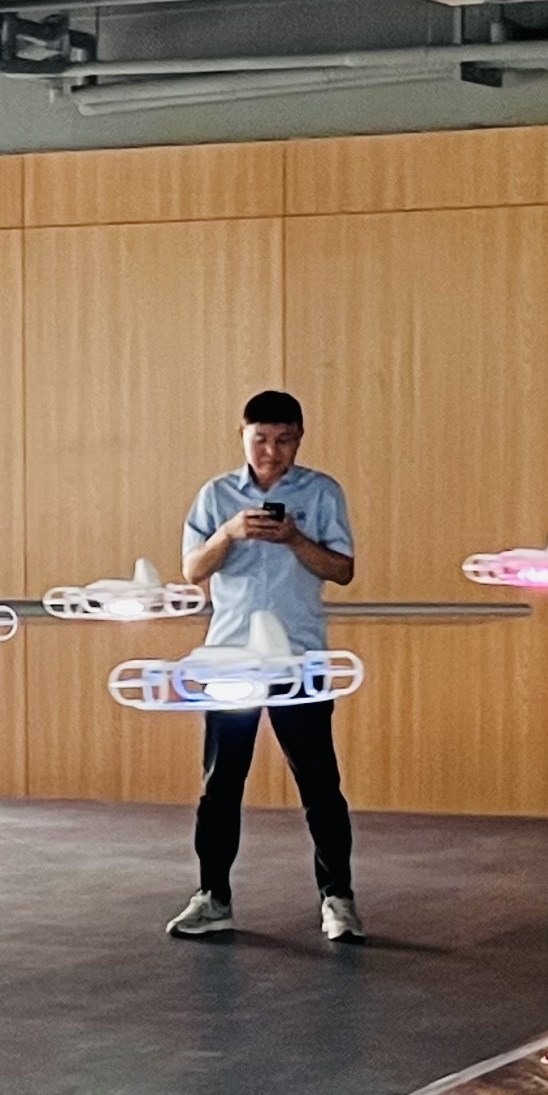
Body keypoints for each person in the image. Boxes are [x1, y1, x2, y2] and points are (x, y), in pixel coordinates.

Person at [170, 386, 362, 945]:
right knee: (220, 784)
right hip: (231, 660)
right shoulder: (216, 494)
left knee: (320, 784)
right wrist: (229, 532)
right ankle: (212, 896)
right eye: (260, 440)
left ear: (299, 439)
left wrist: (295, 538)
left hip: (299, 659)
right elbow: (192, 570)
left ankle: (338, 899)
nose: (271, 452)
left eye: (283, 440)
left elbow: (343, 570)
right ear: (243, 436)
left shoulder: (322, 492)